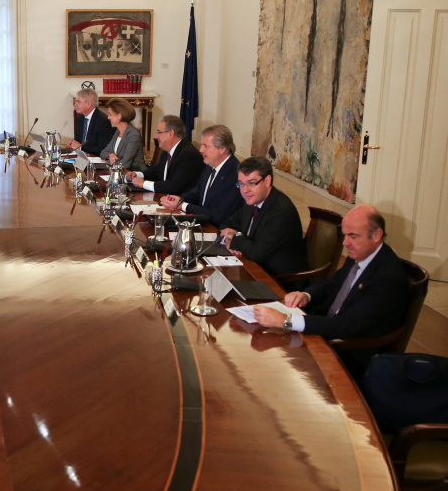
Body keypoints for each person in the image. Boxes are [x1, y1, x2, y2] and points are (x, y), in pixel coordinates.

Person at [253, 204, 410, 340]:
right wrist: (306, 295)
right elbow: (332, 284)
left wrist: (286, 321)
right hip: (326, 327)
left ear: (376, 235)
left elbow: (348, 325)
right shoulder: (361, 253)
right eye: (345, 235)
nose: (345, 243)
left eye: (353, 236)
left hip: (346, 348)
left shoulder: (388, 277)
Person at [219, 157, 308, 279]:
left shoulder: (281, 211)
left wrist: (235, 238)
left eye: (251, 183)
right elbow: (226, 224)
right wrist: (230, 241)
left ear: (267, 181)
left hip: (279, 280)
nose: (245, 190)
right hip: (251, 267)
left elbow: (256, 253)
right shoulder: (252, 200)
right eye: (241, 184)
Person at [160, 124, 244, 226]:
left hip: (218, 229)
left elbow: (219, 215)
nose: (201, 150)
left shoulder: (236, 174)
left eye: (206, 146)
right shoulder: (210, 164)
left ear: (222, 149)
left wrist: (183, 206)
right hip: (202, 224)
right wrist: (179, 199)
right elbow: (198, 191)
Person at [127, 115, 204, 195]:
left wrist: (143, 184)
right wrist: (137, 174)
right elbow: (156, 172)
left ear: (171, 134)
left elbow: (174, 186)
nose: (156, 136)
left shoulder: (189, 155)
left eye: (159, 132)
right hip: (165, 198)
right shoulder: (167, 150)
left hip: (181, 201)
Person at [99, 98, 146, 171]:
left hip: (133, 174)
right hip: (118, 172)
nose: (108, 117)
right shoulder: (118, 131)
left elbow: (125, 163)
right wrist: (110, 155)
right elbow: (103, 152)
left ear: (120, 116)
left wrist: (107, 163)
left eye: (110, 114)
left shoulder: (133, 134)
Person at [68, 88, 112, 156]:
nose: (75, 104)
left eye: (78, 102)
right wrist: (72, 143)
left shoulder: (103, 121)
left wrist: (80, 147)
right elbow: (78, 141)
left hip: (96, 158)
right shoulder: (80, 118)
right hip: (82, 157)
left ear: (88, 104)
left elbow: (102, 149)